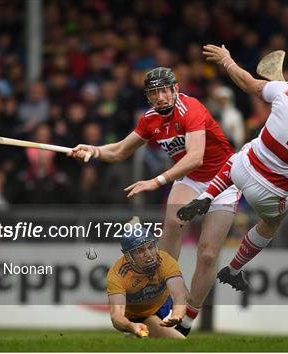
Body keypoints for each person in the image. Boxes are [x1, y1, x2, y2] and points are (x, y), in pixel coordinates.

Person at [70, 67, 240, 335]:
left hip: (224, 178)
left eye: (164, 90)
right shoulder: (149, 120)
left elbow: (195, 157)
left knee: (207, 254)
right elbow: (118, 151)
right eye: (154, 93)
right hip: (191, 180)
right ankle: (160, 298)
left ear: (175, 89)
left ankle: (187, 317)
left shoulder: (191, 108)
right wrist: (92, 150)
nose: (160, 97)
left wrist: (157, 181)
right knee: (172, 223)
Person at [178, 44, 288, 291]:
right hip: (271, 193)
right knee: (274, 221)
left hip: (240, 170)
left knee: (246, 150)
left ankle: (206, 195)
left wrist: (227, 59)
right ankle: (233, 270)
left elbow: (247, 83)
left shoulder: (286, 91)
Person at [107, 221, 187, 338]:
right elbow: (116, 316)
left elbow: (179, 295)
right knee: (179, 341)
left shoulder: (165, 260)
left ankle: (135, 335)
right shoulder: (117, 274)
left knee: (187, 295)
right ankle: (134, 330)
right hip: (138, 314)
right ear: (128, 256)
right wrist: (131, 326)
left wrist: (177, 314)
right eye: (140, 251)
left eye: (150, 247)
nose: (149, 254)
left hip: (163, 304)